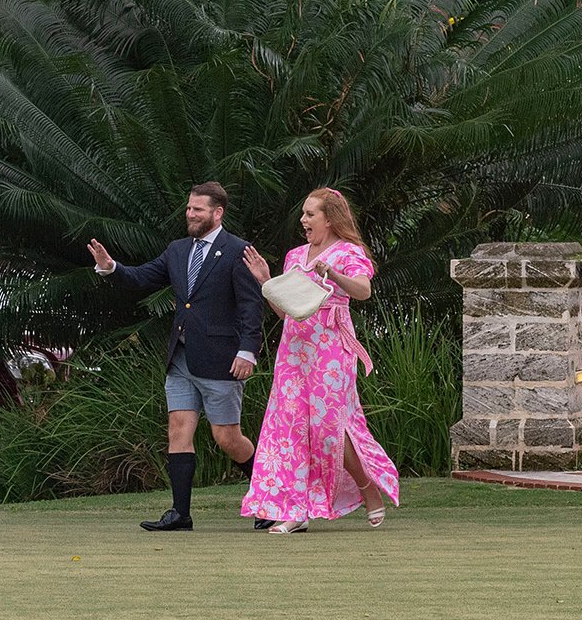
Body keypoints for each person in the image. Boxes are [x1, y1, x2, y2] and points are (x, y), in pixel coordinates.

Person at [87, 182, 262, 532]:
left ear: (218, 213)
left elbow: (250, 306)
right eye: (188, 208)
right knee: (178, 430)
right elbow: (142, 277)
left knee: (226, 437)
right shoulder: (178, 250)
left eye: (197, 209)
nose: (190, 214)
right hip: (180, 358)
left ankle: (269, 499)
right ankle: (180, 514)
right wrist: (111, 268)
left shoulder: (237, 250)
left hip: (221, 359)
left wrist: (248, 351)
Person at [238, 187, 402, 534]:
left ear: (329, 219)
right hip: (294, 350)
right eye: (304, 214)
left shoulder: (348, 252)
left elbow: (363, 291)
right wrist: (266, 281)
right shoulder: (295, 256)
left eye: (310, 214)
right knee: (290, 429)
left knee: (329, 429)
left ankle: (367, 487)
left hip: (330, 350)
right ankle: (295, 511)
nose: (304, 220)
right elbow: (285, 313)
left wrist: (333, 275)